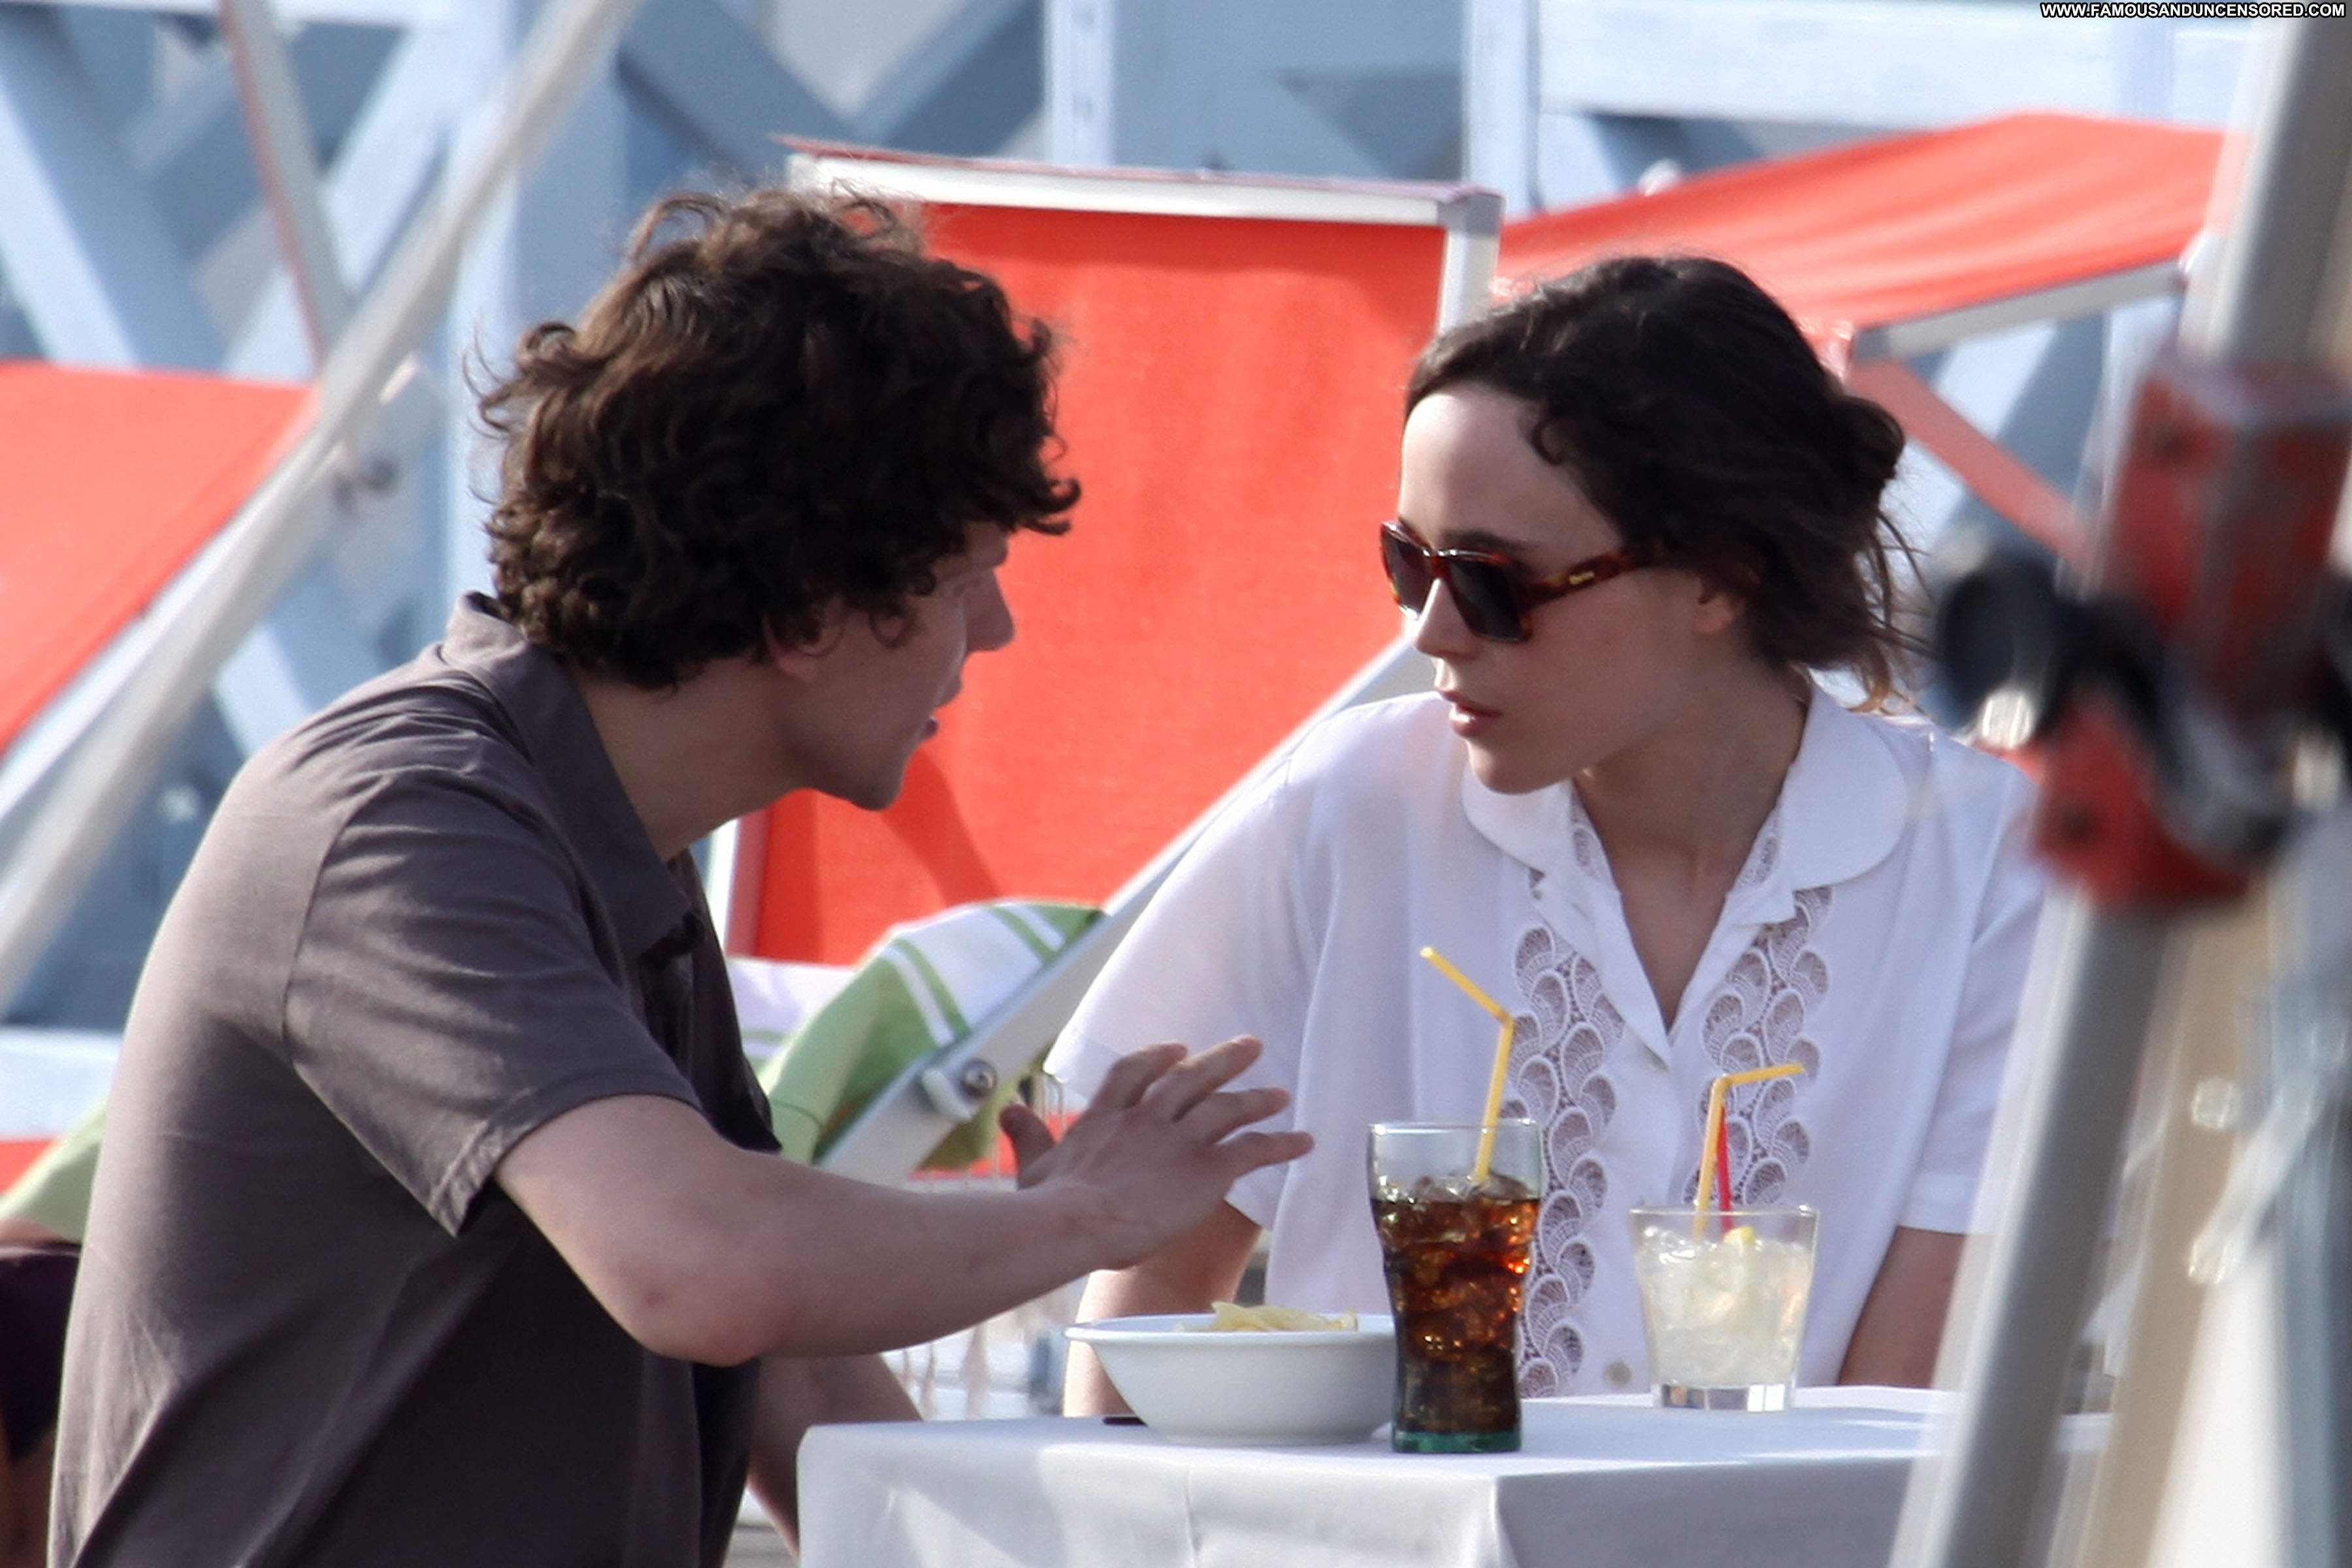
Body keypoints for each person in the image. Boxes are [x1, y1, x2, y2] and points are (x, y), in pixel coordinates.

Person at [50, 189, 1307, 1568]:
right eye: (967, 579)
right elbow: (701, 1271)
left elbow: (793, 1372)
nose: (995, 630)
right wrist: (1086, 1217)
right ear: (808, 605)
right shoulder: (402, 821)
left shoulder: (599, 832)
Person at [1051, 255, 2044, 1408]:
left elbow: (1905, 1415)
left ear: (1720, 578)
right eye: (1408, 564)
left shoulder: (1990, 867)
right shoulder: (1345, 806)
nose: (1433, 631)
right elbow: (1142, 1330)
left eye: (1492, 581)